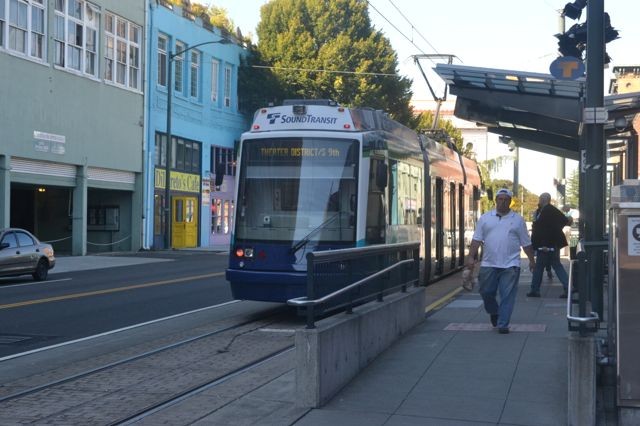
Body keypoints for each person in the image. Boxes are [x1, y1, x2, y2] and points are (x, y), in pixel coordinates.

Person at [466, 188, 535, 334]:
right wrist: (471, 257)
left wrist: (532, 260)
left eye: (506, 200)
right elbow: (476, 240)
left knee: (507, 296)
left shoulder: (517, 220)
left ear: (510, 202)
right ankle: (494, 312)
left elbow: (526, 243)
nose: (503, 202)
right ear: (495, 200)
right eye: (500, 199)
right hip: (488, 264)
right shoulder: (485, 218)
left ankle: (503, 324)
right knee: (486, 292)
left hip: (510, 265)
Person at [527, 193, 572, 298]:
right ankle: (568, 287)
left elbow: (540, 228)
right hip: (551, 243)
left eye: (540, 198)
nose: (539, 200)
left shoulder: (547, 210)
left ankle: (535, 289)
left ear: (544, 199)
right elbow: (565, 221)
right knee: (556, 265)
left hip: (545, 244)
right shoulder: (548, 210)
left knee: (539, 267)